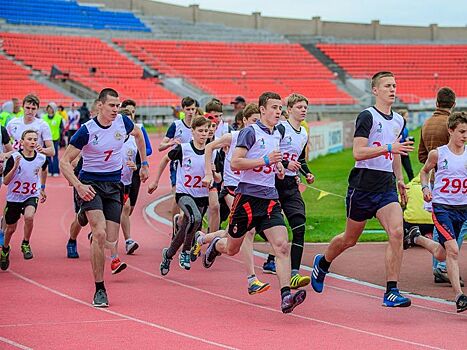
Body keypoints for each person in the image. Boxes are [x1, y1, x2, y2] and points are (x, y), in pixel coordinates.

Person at [310, 71, 414, 308]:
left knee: (397, 233)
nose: (392, 89)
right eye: (387, 85)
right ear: (375, 90)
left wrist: (399, 179)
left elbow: (395, 152)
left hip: (386, 186)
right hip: (363, 185)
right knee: (349, 239)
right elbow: (358, 152)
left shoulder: (399, 120)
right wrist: (389, 146)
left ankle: (391, 291)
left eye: (395, 85)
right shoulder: (367, 116)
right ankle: (323, 263)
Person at [202, 92, 307, 314]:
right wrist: (265, 161)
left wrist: (280, 168)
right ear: (262, 110)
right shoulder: (249, 132)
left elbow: (274, 161)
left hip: (269, 198)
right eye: (274, 108)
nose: (279, 112)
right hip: (247, 198)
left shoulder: (277, 133)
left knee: (281, 245)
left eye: (280, 108)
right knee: (231, 247)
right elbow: (237, 163)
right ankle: (215, 245)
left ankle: (285, 296)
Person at [60, 88, 149, 308]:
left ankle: (86, 216)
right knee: (99, 234)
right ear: (100, 105)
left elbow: (138, 135)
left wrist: (144, 163)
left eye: (118, 106)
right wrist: (79, 186)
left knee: (110, 240)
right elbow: (64, 162)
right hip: (91, 184)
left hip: (114, 185)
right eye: (111, 105)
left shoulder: (123, 123)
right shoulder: (86, 131)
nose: (115, 110)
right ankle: (100, 289)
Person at [195, 104, 271, 295]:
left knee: (232, 234)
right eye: (253, 121)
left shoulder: (264, 138)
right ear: (244, 121)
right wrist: (208, 173)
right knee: (249, 231)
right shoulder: (234, 136)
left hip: (251, 191)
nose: (257, 125)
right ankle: (252, 279)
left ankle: (204, 239)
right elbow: (210, 146)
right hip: (232, 189)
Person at [405, 112, 467, 313]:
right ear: (451, 130)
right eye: (461, 131)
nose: (465, 136)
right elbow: (424, 172)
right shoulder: (438, 154)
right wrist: (425, 188)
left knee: (442, 254)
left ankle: (416, 237)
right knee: (454, 250)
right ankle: (459, 297)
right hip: (442, 208)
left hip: (462, 209)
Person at [148, 116, 212, 275]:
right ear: (193, 131)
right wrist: (155, 181)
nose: (204, 134)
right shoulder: (184, 149)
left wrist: (214, 177)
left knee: (186, 229)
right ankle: (185, 251)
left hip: (202, 196)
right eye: (200, 131)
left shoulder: (211, 151)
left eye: (206, 131)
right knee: (195, 219)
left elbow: (216, 174)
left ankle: (168, 254)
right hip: (184, 193)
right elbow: (164, 159)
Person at [263, 93, 315, 289]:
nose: (303, 111)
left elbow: (300, 160)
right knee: (260, 228)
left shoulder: (303, 133)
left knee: (299, 224)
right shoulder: (281, 129)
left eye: (305, 108)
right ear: (290, 109)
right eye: (300, 107)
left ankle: (294, 272)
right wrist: (285, 163)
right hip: (273, 182)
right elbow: (271, 152)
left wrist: (308, 173)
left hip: (291, 185)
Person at [417, 87, 466, 284]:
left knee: (442, 227)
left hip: (439, 179)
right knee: (457, 228)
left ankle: (440, 265)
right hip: (454, 181)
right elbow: (456, 151)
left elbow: (422, 155)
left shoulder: (426, 123)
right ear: (453, 104)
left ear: (436, 103)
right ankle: (444, 265)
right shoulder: (451, 126)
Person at [0, 130, 47, 270]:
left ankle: (25, 243)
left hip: (30, 195)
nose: (33, 142)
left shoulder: (41, 158)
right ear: (22, 142)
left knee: (29, 216)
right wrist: (15, 167)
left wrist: (42, 188)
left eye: (35, 139)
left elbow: (43, 170)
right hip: (14, 197)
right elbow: (6, 182)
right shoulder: (14, 157)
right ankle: (5, 249)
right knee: (10, 229)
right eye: (29, 139)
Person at [158, 97, 196, 238]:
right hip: (177, 165)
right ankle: (175, 225)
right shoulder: (176, 125)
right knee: (177, 196)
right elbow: (160, 147)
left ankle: (184, 223)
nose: (191, 112)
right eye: (188, 109)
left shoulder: (198, 126)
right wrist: (171, 143)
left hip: (194, 167)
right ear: (183, 110)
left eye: (193, 109)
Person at [119, 99, 153, 255]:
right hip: (113, 178)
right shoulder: (114, 132)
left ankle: (104, 227)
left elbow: (147, 150)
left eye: (133, 112)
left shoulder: (139, 130)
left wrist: (140, 166)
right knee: (124, 207)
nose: (130, 115)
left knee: (128, 209)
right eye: (127, 112)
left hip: (133, 175)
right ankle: (127, 241)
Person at [42, 102, 64, 176]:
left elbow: (61, 128)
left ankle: (56, 171)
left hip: (55, 138)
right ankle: (50, 170)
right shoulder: (44, 117)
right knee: (47, 155)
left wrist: (61, 139)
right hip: (46, 139)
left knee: (55, 155)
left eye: (51, 108)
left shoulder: (59, 117)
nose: (49, 109)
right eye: (48, 108)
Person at [398, 109, 414, 181]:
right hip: (397, 152)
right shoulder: (397, 128)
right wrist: (405, 140)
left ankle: (413, 187)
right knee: (395, 172)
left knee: (410, 171)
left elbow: (405, 138)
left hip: (404, 151)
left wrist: (409, 140)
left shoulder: (405, 128)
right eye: (406, 117)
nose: (407, 119)